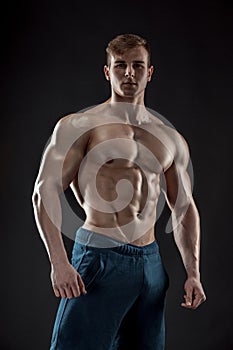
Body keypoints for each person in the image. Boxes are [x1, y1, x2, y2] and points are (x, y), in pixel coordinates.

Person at [32, 33, 206, 350]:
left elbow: (183, 207)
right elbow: (44, 191)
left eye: (138, 66)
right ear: (107, 71)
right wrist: (58, 261)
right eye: (120, 65)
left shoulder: (170, 137)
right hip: (99, 257)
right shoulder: (80, 125)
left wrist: (192, 272)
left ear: (149, 72)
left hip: (151, 263)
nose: (129, 73)